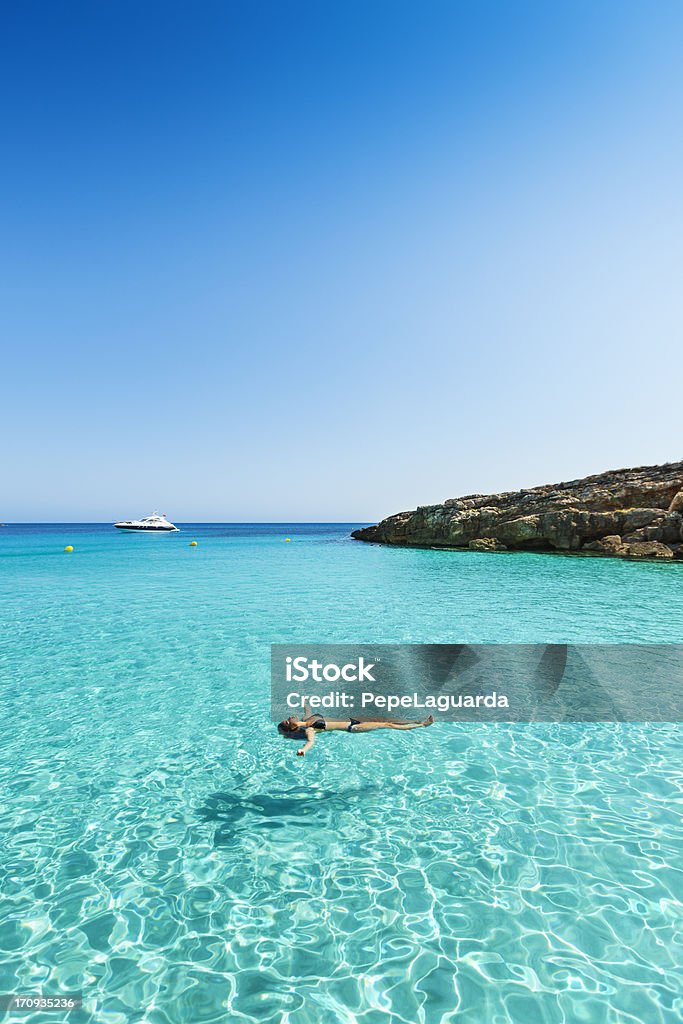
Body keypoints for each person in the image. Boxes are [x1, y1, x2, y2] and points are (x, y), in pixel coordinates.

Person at [277, 708, 434, 756]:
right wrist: (303, 750)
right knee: (387, 724)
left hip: (353, 719)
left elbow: (308, 708)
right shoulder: (310, 729)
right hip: (353, 727)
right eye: (287, 721)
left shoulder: (308, 718)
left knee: (387, 718)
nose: (289, 717)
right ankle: (422, 725)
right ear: (292, 727)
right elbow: (311, 742)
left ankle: (417, 720)